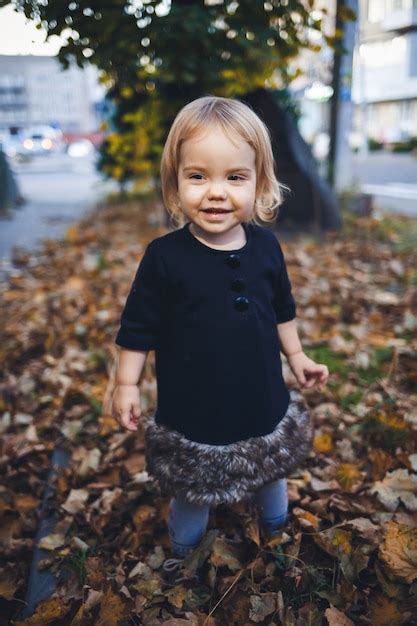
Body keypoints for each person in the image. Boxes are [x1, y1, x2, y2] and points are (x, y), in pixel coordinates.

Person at [112, 95, 329, 576]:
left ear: (259, 184)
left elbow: (282, 311)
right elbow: (137, 327)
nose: (216, 192)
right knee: (194, 489)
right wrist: (126, 383)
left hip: (261, 394)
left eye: (234, 178)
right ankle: (183, 554)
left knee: (270, 467)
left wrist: (297, 357)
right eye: (198, 176)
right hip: (195, 405)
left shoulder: (267, 249)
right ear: (175, 183)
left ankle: (275, 531)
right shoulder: (165, 258)